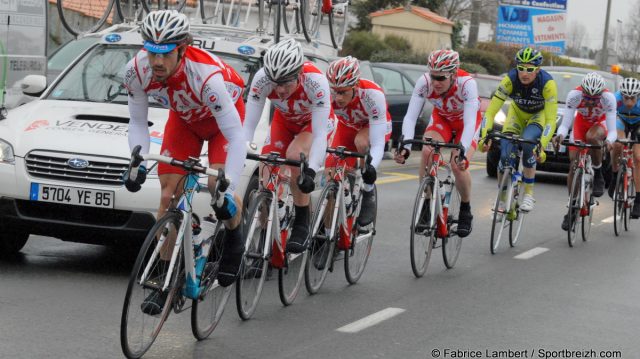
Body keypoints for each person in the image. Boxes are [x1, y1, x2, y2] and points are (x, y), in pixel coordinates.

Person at [123, 10, 247, 314]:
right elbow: (137, 121)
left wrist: (227, 186)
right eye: (151, 52)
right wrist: (136, 161)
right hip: (186, 121)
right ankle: (163, 278)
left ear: (181, 48)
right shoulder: (136, 71)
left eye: (165, 53)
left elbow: (236, 136)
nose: (157, 62)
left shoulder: (206, 76)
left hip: (222, 125)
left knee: (217, 185)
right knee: (167, 195)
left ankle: (234, 237)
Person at [243, 38, 331, 253]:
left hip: (311, 124)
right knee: (265, 171)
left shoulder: (316, 82)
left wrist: (309, 170)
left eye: (286, 83)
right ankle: (267, 238)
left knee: (294, 156)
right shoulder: (262, 79)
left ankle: (302, 221)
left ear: (299, 74)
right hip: (284, 121)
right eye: (275, 83)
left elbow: (320, 135)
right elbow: (248, 126)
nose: (280, 90)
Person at [394, 49, 480, 237]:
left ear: (454, 74)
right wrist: (406, 147)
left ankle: (466, 208)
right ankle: (427, 201)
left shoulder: (467, 84)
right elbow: (410, 117)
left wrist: (462, 151)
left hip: (466, 123)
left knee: (458, 166)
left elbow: (471, 122)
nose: (435, 83)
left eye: (441, 78)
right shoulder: (424, 83)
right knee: (427, 151)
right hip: (443, 120)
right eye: (433, 76)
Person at [480, 47, 558, 212]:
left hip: (537, 116)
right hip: (516, 114)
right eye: (521, 68)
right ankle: (502, 199)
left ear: (537, 70)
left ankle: (528, 194)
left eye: (529, 69)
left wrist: (542, 144)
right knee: (505, 156)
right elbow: (491, 111)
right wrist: (484, 135)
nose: (524, 73)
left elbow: (551, 120)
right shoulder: (510, 79)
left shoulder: (547, 83)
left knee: (529, 143)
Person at [324, 56, 391, 226]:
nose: (337, 97)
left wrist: (370, 169)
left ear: (355, 86)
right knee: (331, 172)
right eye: (334, 91)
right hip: (348, 126)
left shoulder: (372, 94)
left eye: (343, 92)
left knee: (361, 141)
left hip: (373, 126)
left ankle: (368, 192)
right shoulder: (327, 94)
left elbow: (377, 144)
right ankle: (327, 231)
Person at [552, 72, 616, 230]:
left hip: (599, 124)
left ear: (601, 94)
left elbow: (613, 129)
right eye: (587, 97)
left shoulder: (609, 99)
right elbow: (566, 123)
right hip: (580, 123)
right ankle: (572, 206)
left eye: (595, 99)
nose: (590, 101)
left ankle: (598, 172)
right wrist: (560, 135)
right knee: (574, 163)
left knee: (592, 137)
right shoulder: (574, 95)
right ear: (582, 92)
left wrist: (609, 141)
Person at [609, 77, 640, 218]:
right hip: (622, 121)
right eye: (626, 98)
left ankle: (638, 200)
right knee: (617, 145)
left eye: (632, 98)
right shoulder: (615, 99)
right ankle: (614, 175)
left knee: (638, 157)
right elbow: (608, 117)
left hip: (638, 124)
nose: (628, 102)